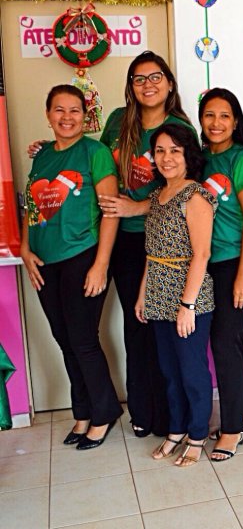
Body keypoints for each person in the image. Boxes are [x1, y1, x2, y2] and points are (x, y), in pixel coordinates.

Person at [98, 51, 195, 438]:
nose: (148, 84)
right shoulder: (117, 122)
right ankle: (143, 411)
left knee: (168, 332)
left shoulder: (179, 127)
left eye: (155, 76)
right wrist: (59, 145)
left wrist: (138, 205)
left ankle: (175, 416)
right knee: (137, 326)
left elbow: (188, 184)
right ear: (130, 86)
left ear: (169, 83)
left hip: (168, 245)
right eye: (139, 78)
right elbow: (99, 162)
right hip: (125, 243)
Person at [21, 84, 123, 450]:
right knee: (64, 339)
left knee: (82, 339)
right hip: (44, 262)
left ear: (86, 115)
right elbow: (31, 206)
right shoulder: (42, 155)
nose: (67, 117)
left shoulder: (95, 152)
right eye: (59, 110)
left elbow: (111, 211)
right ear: (48, 115)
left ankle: (105, 412)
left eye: (75, 110)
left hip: (83, 256)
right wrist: (24, 247)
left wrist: (101, 264)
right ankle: (83, 412)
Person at [135, 123, 216, 467]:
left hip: (188, 295)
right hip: (157, 293)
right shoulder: (157, 195)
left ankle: (197, 434)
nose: (166, 158)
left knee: (191, 370)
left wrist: (188, 306)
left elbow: (201, 255)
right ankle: (177, 429)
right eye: (161, 151)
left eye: (175, 151)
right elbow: (151, 252)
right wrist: (143, 295)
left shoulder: (195, 195)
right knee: (169, 370)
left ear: (188, 155)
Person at [198, 88, 243, 461]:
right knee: (234, 340)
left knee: (223, 341)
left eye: (224, 116)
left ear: (235, 121)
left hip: (237, 261)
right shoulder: (201, 159)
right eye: (210, 115)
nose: (217, 123)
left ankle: (232, 429)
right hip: (206, 263)